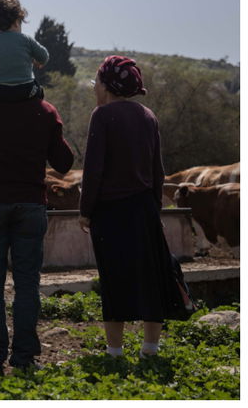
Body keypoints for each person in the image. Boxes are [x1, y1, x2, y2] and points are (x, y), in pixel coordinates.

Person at [0, 16, 75, 373]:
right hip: (30, 206)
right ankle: (24, 359)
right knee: (27, 285)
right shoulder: (44, 111)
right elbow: (65, 163)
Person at [78, 55, 185, 357]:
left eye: (96, 82)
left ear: (108, 85)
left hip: (110, 213)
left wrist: (85, 211)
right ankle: (150, 348)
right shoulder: (148, 116)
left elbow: (93, 170)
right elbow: (157, 172)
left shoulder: (102, 116)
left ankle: (115, 351)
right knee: (151, 277)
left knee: (114, 279)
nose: (94, 88)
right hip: (143, 210)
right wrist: (155, 211)